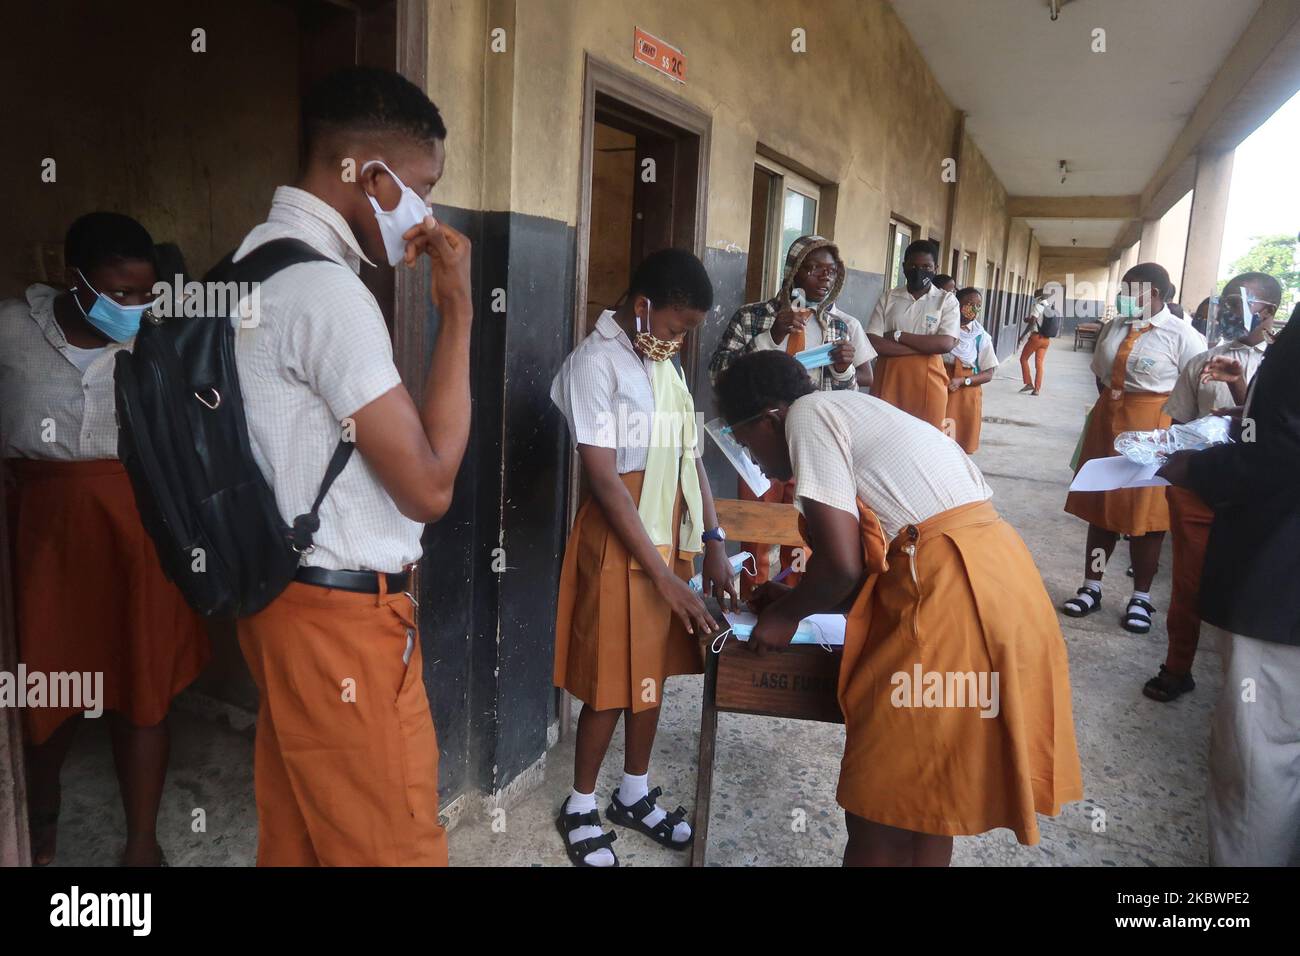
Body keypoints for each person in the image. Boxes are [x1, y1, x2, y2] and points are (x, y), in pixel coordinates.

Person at [229, 67, 473, 866]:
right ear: (372, 175)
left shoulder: (249, 261)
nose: (426, 211)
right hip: (341, 623)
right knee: (390, 845)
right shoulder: (329, 294)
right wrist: (458, 315)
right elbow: (430, 486)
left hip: (278, 601)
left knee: (300, 832)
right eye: (422, 186)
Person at [714, 350, 1082, 866]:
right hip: (999, 580)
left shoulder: (807, 416)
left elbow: (841, 564)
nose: (748, 455)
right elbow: (867, 564)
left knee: (880, 805)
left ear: (770, 418)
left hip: (948, 593)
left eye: (742, 437)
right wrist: (802, 597)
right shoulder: (851, 409)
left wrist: (786, 615)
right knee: (924, 800)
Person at [0, 212, 210, 866]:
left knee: (141, 692)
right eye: (119, 292)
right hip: (40, 537)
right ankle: (38, 835)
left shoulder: (159, 340)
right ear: (74, 279)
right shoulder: (11, 329)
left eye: (145, 292)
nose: (135, 305)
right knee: (42, 698)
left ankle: (142, 843)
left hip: (137, 530)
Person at [552, 248, 736, 867]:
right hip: (620, 536)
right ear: (642, 307)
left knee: (649, 672)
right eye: (678, 326)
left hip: (670, 537)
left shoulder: (663, 365)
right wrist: (663, 577)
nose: (682, 340)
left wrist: (713, 542)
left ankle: (632, 792)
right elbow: (604, 479)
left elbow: (692, 458)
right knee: (609, 679)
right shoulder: (595, 364)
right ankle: (580, 803)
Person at [1158, 300, 1300, 865]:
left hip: (1282, 579)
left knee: (1259, 753)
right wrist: (1248, 405)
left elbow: (1282, 455)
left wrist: (1199, 468)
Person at [708, 236, 875, 596]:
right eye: (814, 268)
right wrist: (771, 336)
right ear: (792, 271)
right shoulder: (753, 316)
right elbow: (719, 374)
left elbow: (846, 398)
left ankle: (792, 600)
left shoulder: (840, 327)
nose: (823, 279)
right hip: (760, 444)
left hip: (813, 446)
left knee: (806, 530)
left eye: (831, 271)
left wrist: (845, 371)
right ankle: (751, 598)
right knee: (756, 529)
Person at [1143, 273, 1282, 703]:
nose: (1223, 311)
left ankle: (1250, 687)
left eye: (1237, 302)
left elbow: (1266, 434)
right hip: (1201, 494)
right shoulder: (1203, 361)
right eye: (1222, 301)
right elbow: (1180, 427)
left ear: (1268, 312)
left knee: (1253, 590)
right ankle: (1177, 665)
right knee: (1188, 585)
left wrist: (1240, 389)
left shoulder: (1283, 365)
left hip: (1260, 499)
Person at [1061, 263, 1205, 634]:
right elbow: (1100, 371)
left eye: (1131, 290)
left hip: (1153, 429)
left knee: (1146, 518)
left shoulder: (1182, 335)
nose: (1123, 297)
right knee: (1100, 508)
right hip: (1108, 421)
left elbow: (1196, 391)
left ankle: (1141, 597)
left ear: (1154, 293)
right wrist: (1112, 407)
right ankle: (1091, 587)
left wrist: (1172, 437)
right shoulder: (1116, 325)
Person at [866, 239, 959, 428]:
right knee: (884, 435)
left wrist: (898, 335)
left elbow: (945, 343)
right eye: (913, 265)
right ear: (903, 267)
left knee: (927, 438)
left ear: (935, 268)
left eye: (926, 266)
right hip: (889, 377)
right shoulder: (889, 297)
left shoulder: (946, 301)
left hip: (929, 381)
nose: (919, 271)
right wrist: (925, 348)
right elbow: (873, 341)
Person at [943, 288, 998, 453]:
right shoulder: (943, 329)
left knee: (960, 436)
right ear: (956, 304)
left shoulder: (981, 336)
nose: (973, 309)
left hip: (966, 391)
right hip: (942, 384)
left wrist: (963, 381)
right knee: (940, 432)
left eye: (978, 305)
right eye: (968, 304)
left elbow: (988, 373)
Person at [1018, 288, 1060, 395]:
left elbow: (1032, 323)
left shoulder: (1037, 306)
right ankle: (1037, 389)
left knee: (1023, 359)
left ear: (1038, 297)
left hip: (1036, 338)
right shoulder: (1049, 308)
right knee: (1039, 364)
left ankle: (1028, 383)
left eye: (1035, 297)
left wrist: (1022, 336)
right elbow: (1037, 321)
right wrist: (1030, 319)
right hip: (1046, 340)